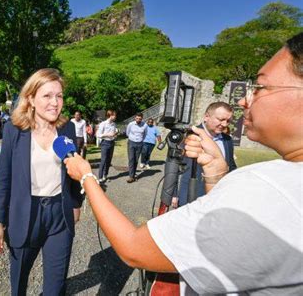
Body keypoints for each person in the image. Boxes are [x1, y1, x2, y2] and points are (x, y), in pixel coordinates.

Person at [63, 32, 303, 295]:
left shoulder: (265, 189)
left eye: (260, 87)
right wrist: (216, 176)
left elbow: (133, 248)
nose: (245, 100)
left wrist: (86, 176)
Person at [0, 68, 83, 296]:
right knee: (19, 280)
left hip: (59, 214)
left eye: (59, 96)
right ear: (30, 98)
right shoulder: (14, 130)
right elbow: (4, 177)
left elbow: (75, 167)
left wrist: (77, 203)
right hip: (25, 213)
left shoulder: (67, 128)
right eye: (47, 96)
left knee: (56, 286)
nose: (55, 102)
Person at [173, 102, 237, 207]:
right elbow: (174, 165)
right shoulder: (188, 136)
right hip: (190, 195)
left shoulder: (228, 140)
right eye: (221, 120)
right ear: (206, 117)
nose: (225, 124)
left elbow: (231, 166)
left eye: (228, 121)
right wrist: (173, 194)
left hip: (217, 197)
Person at [96, 110, 118, 183]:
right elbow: (98, 134)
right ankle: (100, 177)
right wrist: (108, 135)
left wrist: (115, 134)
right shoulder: (103, 124)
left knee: (109, 160)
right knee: (103, 160)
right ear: (110, 115)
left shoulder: (114, 124)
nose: (115, 117)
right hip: (105, 143)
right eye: (114, 115)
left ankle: (105, 175)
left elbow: (114, 132)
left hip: (112, 142)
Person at [125, 112, 147, 183]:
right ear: (135, 118)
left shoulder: (145, 125)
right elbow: (127, 133)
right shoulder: (131, 124)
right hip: (131, 143)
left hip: (139, 144)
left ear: (142, 118)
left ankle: (133, 175)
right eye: (137, 118)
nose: (138, 120)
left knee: (136, 160)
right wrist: (132, 139)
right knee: (131, 159)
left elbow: (145, 134)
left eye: (140, 119)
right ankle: (131, 177)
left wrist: (140, 141)